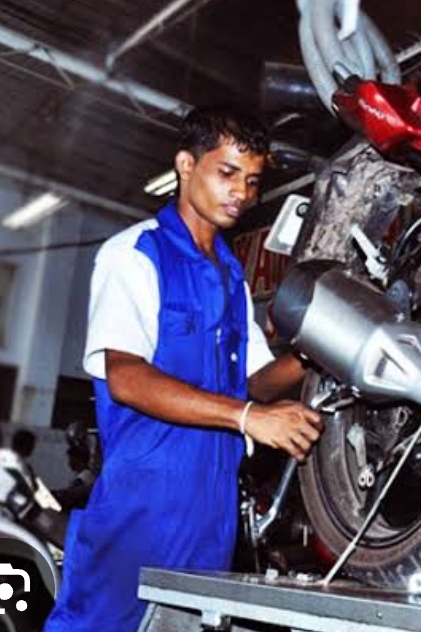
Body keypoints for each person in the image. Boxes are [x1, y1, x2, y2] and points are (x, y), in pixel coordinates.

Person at [44, 105, 324, 632]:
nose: (241, 192)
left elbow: (254, 383)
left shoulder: (232, 278)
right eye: (227, 173)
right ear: (185, 164)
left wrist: (313, 355)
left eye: (253, 181)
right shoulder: (135, 254)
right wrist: (247, 418)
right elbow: (125, 378)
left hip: (212, 522)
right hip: (139, 515)